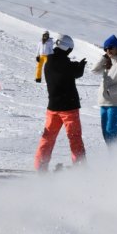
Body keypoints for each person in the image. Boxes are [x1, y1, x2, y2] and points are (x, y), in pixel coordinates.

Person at [34, 34, 87, 171]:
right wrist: (81, 65)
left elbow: (67, 70)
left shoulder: (49, 60)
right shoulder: (65, 63)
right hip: (69, 108)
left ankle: (40, 165)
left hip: (53, 107)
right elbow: (76, 72)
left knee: (48, 138)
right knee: (74, 138)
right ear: (67, 48)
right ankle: (80, 167)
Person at [90, 34, 117, 145]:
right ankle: (113, 159)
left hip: (116, 103)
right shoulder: (107, 63)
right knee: (105, 133)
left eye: (110, 47)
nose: (108, 50)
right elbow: (94, 71)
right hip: (103, 103)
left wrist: (110, 91)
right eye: (106, 48)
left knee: (112, 131)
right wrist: (103, 58)